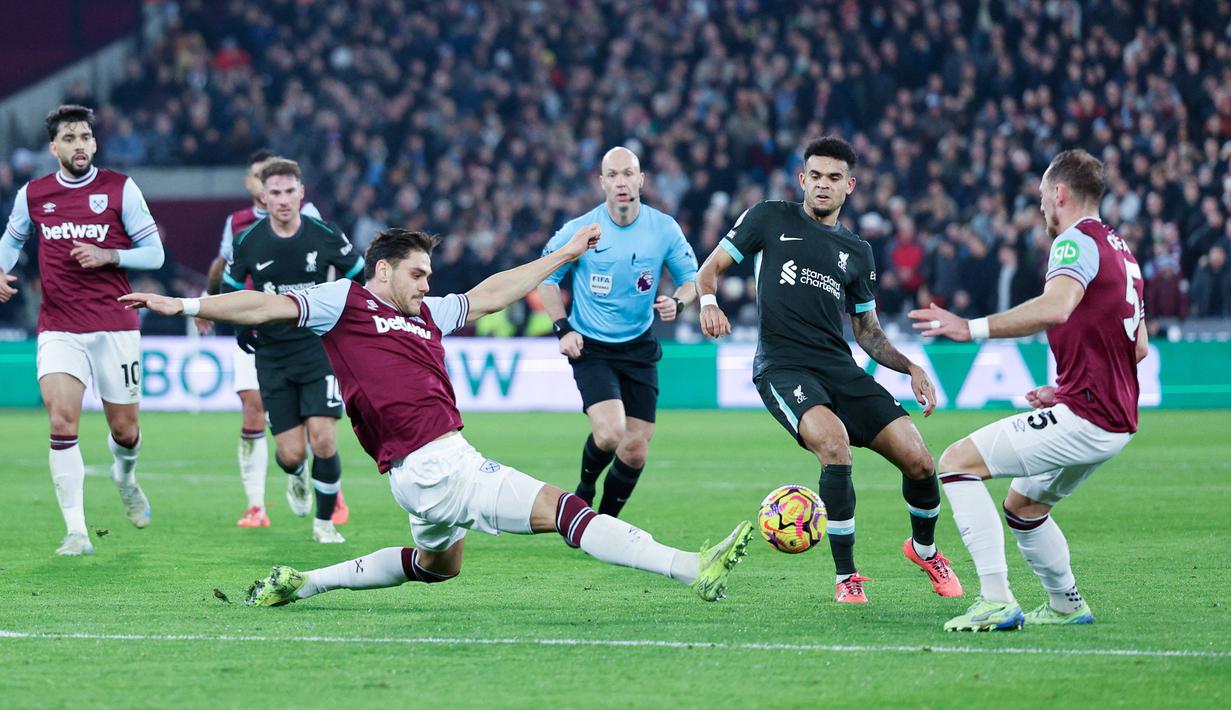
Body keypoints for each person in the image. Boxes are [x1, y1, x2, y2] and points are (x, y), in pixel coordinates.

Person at [120, 226, 753, 606]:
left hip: (418, 473)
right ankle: (690, 567)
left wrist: (559, 259)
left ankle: (306, 581)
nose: (427, 283)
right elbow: (262, 306)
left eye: (430, 274)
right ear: (385, 269)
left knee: (436, 567)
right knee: (566, 510)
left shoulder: (425, 314)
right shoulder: (343, 301)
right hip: (435, 461)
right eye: (418, 273)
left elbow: (489, 292)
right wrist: (182, 306)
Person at [696, 136, 961, 603]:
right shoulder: (769, 218)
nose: (823, 185)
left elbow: (867, 331)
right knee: (835, 447)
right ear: (802, 179)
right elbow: (709, 268)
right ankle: (847, 578)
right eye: (815, 176)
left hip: (840, 367)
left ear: (850, 186)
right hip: (783, 366)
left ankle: (925, 551)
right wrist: (709, 302)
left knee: (920, 460)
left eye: (833, 178)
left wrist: (910, 366)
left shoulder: (857, 251)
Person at [910, 149, 1147, 631]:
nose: (1040, 208)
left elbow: (1057, 307)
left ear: (1059, 194)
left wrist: (970, 328)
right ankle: (1066, 604)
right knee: (1025, 508)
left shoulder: (1073, 242)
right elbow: (1137, 347)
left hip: (1089, 415)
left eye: (1042, 197)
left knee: (956, 463)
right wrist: (1065, 387)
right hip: (1112, 418)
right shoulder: (1121, 251)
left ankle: (995, 599)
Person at [0, 104, 164, 556]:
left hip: (115, 324)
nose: (79, 146)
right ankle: (76, 531)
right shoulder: (33, 194)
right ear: (54, 148)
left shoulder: (120, 189)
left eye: (85, 138)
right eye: (69, 139)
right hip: (60, 326)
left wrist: (111, 255)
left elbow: (155, 255)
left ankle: (125, 476)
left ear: (94, 143)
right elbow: (11, 242)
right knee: (60, 420)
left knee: (125, 431)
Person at [537, 147, 698, 519]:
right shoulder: (582, 230)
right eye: (613, 175)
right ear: (602, 183)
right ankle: (584, 490)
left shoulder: (663, 228)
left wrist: (680, 302)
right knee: (610, 433)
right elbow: (547, 277)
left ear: (641, 180)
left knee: (636, 449)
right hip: (591, 345)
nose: (621, 182)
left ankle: (604, 523)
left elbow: (691, 279)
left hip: (639, 346)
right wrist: (562, 328)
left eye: (628, 174)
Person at [220, 158, 363, 543]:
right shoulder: (248, 241)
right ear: (263, 197)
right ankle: (297, 476)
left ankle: (324, 523)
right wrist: (240, 325)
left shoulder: (324, 234)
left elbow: (358, 278)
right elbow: (230, 289)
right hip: (272, 355)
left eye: (289, 192)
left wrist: (350, 321)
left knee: (325, 439)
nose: (283, 200)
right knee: (291, 455)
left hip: (319, 350)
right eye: (275, 193)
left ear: (301, 193)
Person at [199, 148, 335, 528]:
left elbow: (327, 266)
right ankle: (256, 503)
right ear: (254, 184)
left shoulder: (309, 218)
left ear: (296, 190)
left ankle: (323, 484)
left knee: (319, 428)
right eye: (265, 182)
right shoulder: (238, 223)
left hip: (304, 334)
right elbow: (223, 265)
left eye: (284, 187)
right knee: (252, 408)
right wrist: (210, 306)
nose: (275, 192)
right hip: (254, 328)